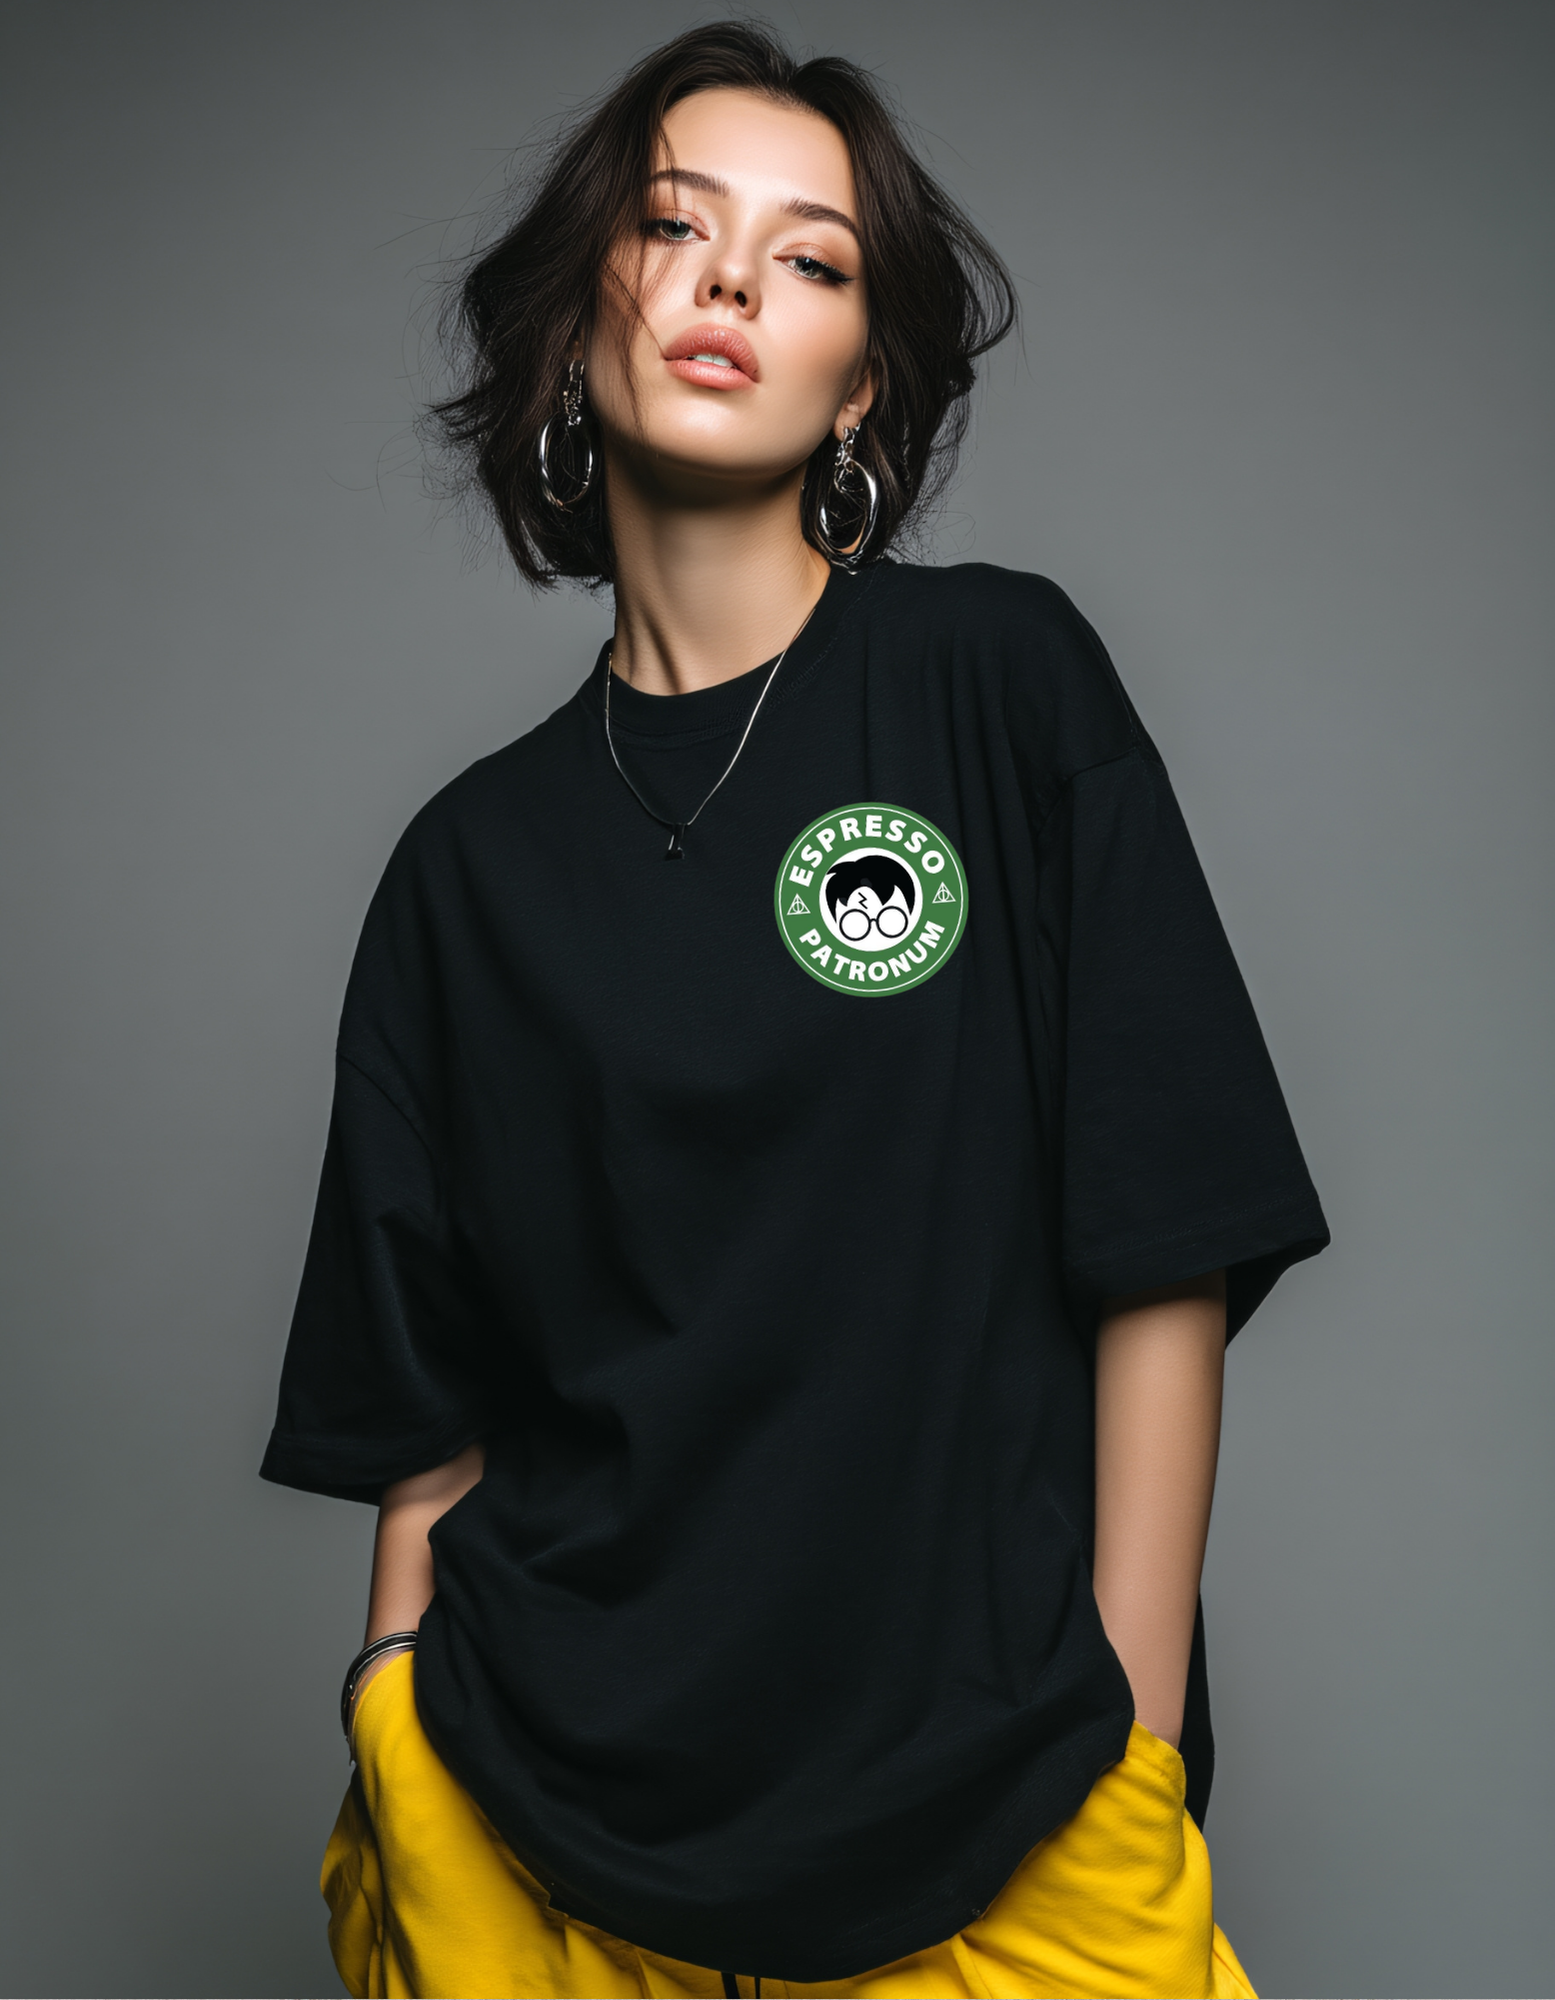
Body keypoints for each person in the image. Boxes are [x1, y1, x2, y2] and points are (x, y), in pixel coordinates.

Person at [261, 22, 1329, 1999]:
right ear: (577, 312)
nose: (734, 280)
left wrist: (1132, 1734)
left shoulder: (997, 681)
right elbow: (431, 1422)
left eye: (811, 256)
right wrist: (397, 1720)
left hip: (1004, 1832)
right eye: (674, 225)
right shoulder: (462, 867)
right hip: (531, 1854)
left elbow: (1164, 1239)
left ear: (864, 383)